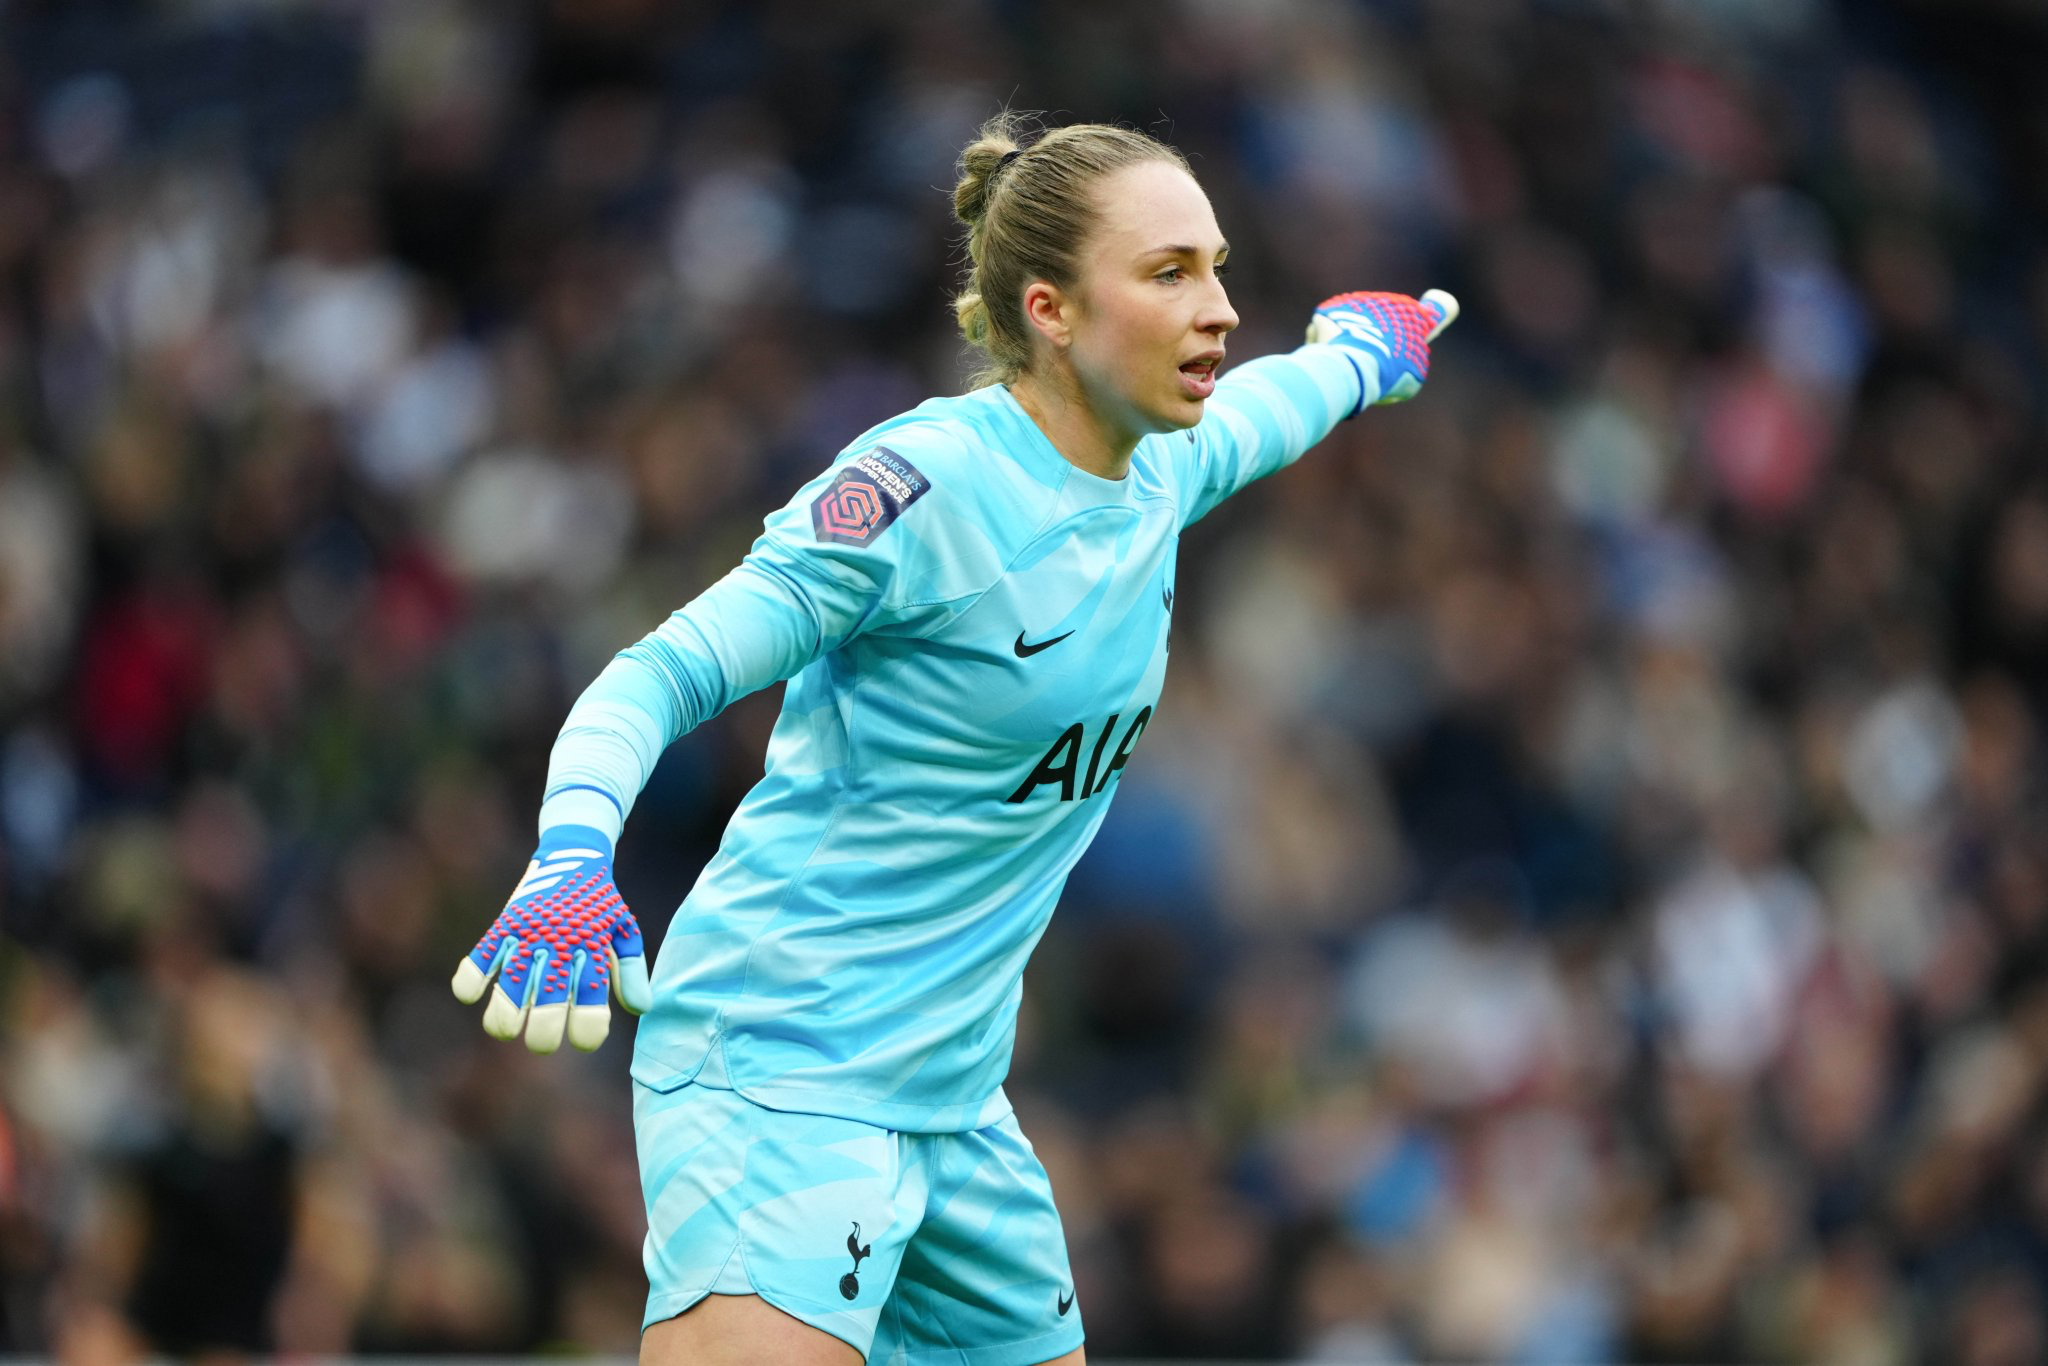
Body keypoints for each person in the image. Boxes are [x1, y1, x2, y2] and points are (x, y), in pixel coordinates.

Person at [451, 112, 1455, 1366]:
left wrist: (1359, 351)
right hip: (784, 1069)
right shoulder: (920, 491)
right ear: (1049, 309)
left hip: (951, 1098)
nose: (1218, 308)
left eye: (1216, 266)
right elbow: (655, 673)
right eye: (1168, 273)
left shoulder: (1156, 470)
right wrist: (568, 857)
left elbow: (1276, 402)